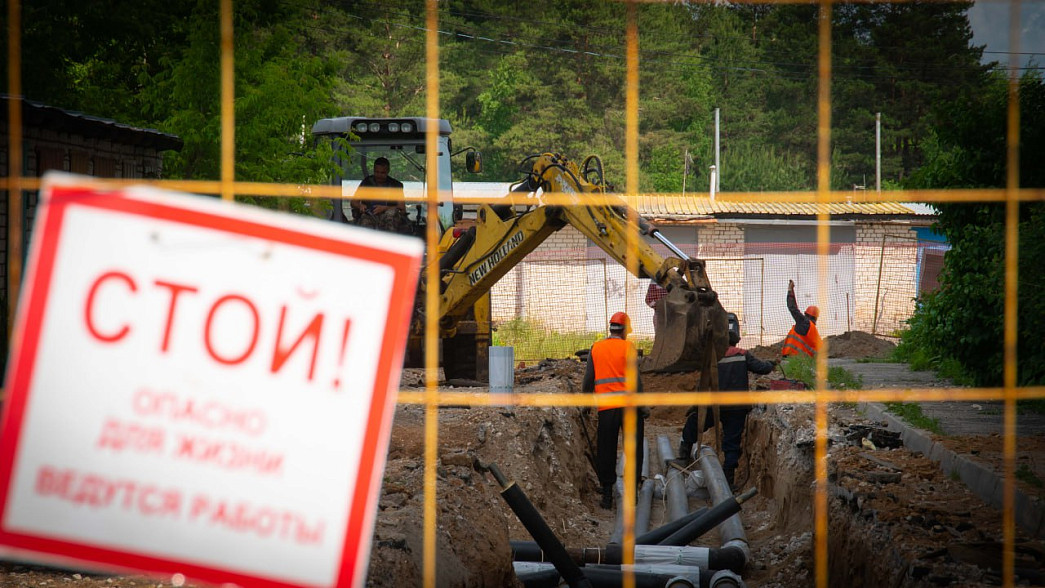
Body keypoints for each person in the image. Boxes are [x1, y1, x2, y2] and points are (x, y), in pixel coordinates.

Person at [675, 325, 777, 488]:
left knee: (693, 424)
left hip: (713, 405)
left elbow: (702, 382)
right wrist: (771, 364)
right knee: (732, 443)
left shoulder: (711, 356)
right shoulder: (743, 355)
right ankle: (728, 481)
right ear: (736, 339)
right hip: (737, 407)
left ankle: (683, 457)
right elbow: (762, 368)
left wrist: (696, 405)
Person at [582, 311, 648, 510]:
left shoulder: (597, 348)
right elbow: (636, 380)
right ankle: (633, 493)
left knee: (606, 450)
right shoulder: (629, 347)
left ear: (611, 329)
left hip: (607, 408)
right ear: (625, 330)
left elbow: (588, 378)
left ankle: (607, 496)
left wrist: (585, 403)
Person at [353, 157, 407, 233]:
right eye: (377, 172)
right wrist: (360, 206)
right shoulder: (366, 182)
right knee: (364, 223)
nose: (379, 175)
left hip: (389, 218)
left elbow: (402, 209)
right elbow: (353, 202)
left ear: (388, 171)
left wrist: (385, 208)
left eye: (382, 173)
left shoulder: (396, 185)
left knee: (391, 214)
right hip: (370, 215)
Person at [782, 279, 822, 357]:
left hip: (794, 357)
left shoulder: (804, 322)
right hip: (806, 360)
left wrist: (790, 290)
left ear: (806, 314)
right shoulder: (813, 330)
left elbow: (793, 308)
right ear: (816, 318)